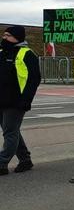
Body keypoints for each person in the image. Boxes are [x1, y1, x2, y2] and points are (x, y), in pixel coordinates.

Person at [0, 26, 40, 175]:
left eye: (8, 35)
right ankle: (25, 159)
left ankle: (2, 163)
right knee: (11, 131)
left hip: (16, 101)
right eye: (4, 35)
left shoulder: (27, 54)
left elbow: (33, 79)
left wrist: (26, 100)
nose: (5, 38)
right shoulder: (2, 53)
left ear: (17, 37)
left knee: (10, 132)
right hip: (2, 100)